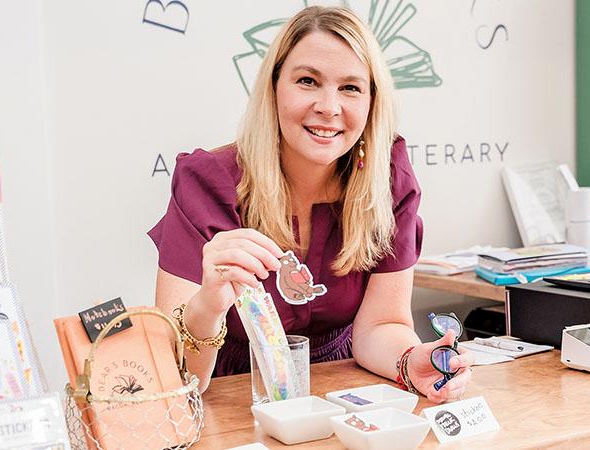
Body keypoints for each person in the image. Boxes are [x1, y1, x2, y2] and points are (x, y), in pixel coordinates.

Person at [148, 6, 473, 403]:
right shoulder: (208, 181)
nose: (329, 107)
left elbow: (381, 326)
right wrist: (208, 306)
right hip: (228, 391)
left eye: (351, 88)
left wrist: (410, 361)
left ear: (372, 101)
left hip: (341, 385)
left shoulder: (388, 182)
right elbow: (177, 373)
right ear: (273, 88)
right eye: (307, 81)